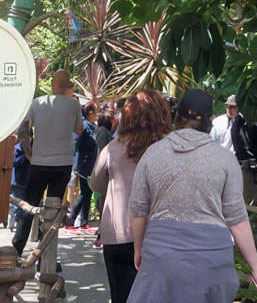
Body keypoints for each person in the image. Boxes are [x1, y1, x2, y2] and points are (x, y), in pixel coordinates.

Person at [126, 89, 257, 302]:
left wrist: (139, 248)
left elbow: (138, 210)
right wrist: (256, 268)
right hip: (211, 262)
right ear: (207, 119)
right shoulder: (224, 159)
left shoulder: (152, 154)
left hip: (162, 259)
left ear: (177, 116)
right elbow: (237, 218)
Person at [90, 89, 172, 303]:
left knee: (120, 296)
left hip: (118, 235)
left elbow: (96, 184)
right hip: (160, 236)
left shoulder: (112, 149)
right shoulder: (170, 149)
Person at [12, 69, 88, 256]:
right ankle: (46, 255)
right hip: (63, 163)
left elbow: (23, 131)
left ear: (53, 84)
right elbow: (79, 130)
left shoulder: (37, 103)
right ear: (67, 85)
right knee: (53, 210)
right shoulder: (73, 105)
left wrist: (29, 153)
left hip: (39, 162)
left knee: (29, 206)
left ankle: (16, 250)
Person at [68, 101, 100, 229]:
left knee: (87, 192)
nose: (98, 114)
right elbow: (76, 143)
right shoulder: (84, 126)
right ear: (90, 113)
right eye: (96, 111)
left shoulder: (92, 126)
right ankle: (71, 220)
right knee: (85, 192)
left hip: (90, 165)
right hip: (83, 164)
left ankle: (84, 221)